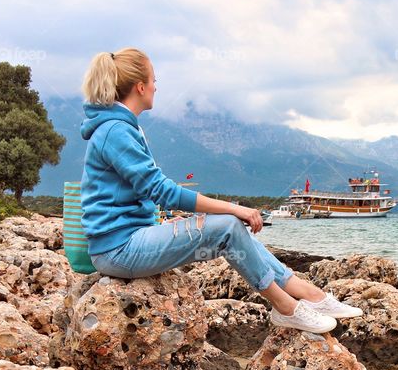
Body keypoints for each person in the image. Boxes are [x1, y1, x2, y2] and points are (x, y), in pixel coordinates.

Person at [79, 48, 361, 333]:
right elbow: (162, 192)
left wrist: (162, 227)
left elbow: (134, 197)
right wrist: (234, 207)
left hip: (131, 240)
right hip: (118, 251)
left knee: (230, 227)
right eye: (153, 80)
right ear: (140, 86)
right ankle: (285, 307)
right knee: (227, 226)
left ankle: (308, 294)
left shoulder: (122, 127)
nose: (156, 86)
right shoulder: (116, 131)